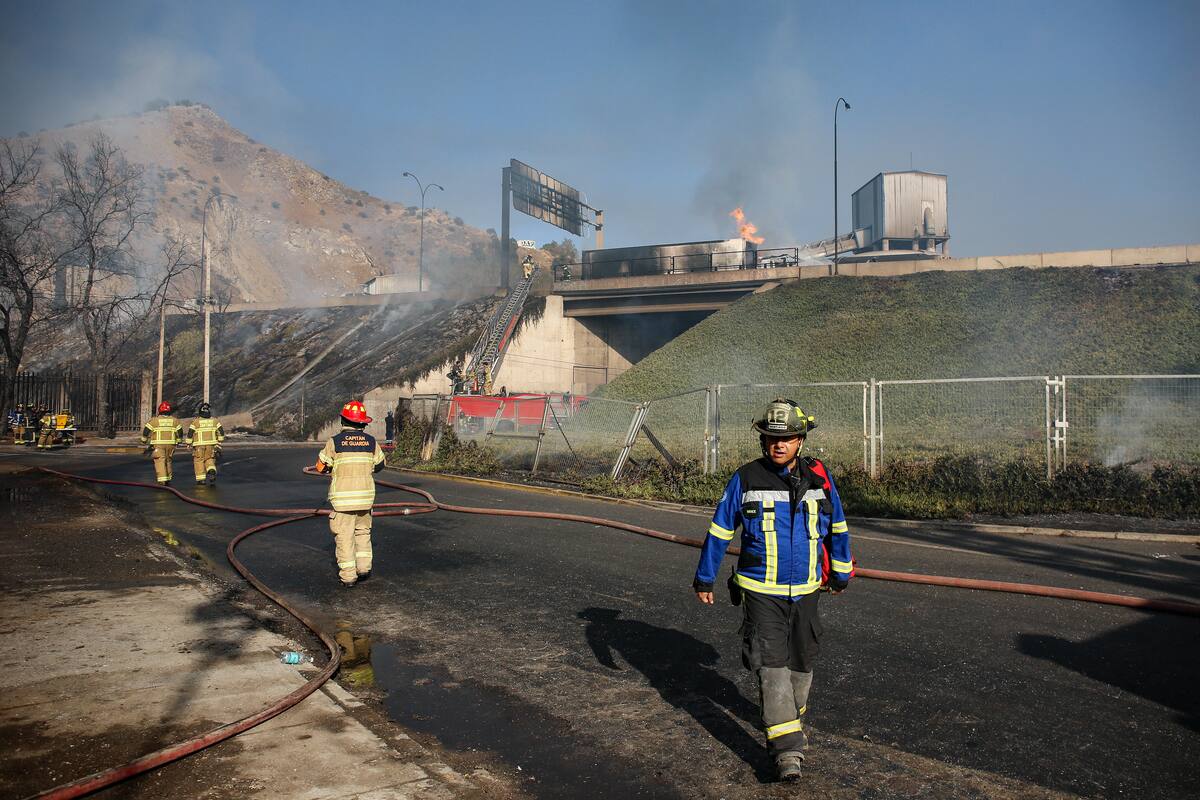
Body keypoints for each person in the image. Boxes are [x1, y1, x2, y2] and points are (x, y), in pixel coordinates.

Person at [692, 398, 853, 783]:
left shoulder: (820, 477)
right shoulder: (745, 479)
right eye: (771, 438)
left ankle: (789, 724)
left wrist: (841, 573)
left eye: (788, 438)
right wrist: (704, 577)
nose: (778, 445)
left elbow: (839, 528)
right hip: (761, 590)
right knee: (770, 664)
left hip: (808, 590)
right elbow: (719, 528)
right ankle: (787, 753)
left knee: (802, 661)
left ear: (801, 440)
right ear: (763, 441)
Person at [313, 400, 385, 587]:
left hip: (343, 501)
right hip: (365, 499)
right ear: (363, 423)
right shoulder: (371, 442)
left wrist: (333, 468)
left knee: (344, 537)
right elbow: (379, 465)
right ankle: (364, 569)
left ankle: (348, 577)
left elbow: (321, 467)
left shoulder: (334, 442)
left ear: (343, 421)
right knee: (362, 533)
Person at [140, 401, 183, 485]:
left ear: (160, 411)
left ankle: (162, 480)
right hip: (171, 445)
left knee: (160, 460)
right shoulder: (175, 420)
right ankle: (168, 477)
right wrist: (179, 440)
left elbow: (146, 430)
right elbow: (180, 431)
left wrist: (144, 440)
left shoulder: (154, 420)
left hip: (158, 445)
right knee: (168, 460)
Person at [186, 402, 225, 485]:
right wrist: (220, 441)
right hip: (211, 445)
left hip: (199, 446)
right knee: (209, 459)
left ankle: (201, 479)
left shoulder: (195, 422)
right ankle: (211, 470)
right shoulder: (215, 421)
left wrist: (188, 443)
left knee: (199, 461)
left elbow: (190, 433)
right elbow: (221, 432)